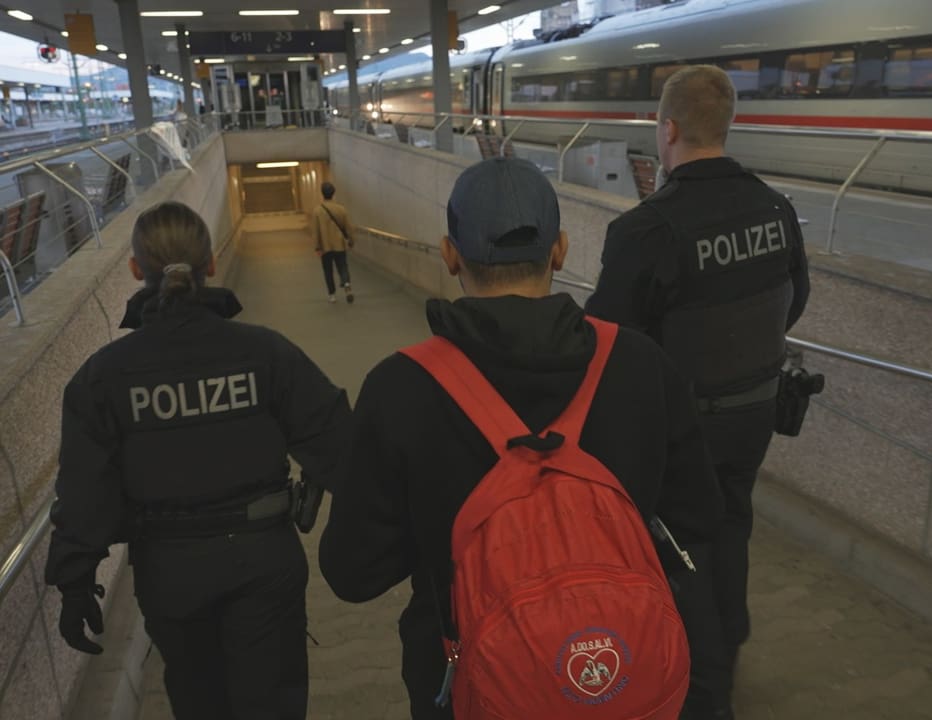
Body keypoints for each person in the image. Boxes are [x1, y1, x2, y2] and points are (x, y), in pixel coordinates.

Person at [319, 157, 723, 719]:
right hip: (624, 664)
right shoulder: (640, 363)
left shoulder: (401, 386)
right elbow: (699, 518)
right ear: (558, 250)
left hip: (469, 676)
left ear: (450, 253)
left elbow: (353, 574)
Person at [44, 201, 351, 720]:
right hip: (264, 562)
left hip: (170, 572)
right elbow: (341, 442)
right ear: (210, 265)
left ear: (136, 270)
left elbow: (84, 492)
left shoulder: (102, 377)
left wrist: (75, 583)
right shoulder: (265, 353)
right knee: (272, 702)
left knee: (197, 699)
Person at [585, 65, 811, 719]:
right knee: (732, 526)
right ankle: (726, 651)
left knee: (678, 548)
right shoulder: (775, 208)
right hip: (757, 415)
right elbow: (793, 301)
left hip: (680, 433)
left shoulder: (648, 229)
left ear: (670, 129)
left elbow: (606, 342)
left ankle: (698, 687)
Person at [313, 181, 355, 304]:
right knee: (342, 266)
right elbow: (348, 227)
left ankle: (332, 295)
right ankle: (346, 283)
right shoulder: (341, 209)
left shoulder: (317, 211)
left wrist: (317, 247)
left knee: (328, 270)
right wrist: (351, 240)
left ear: (322, 194)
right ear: (333, 193)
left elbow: (315, 231)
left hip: (325, 246)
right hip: (339, 244)